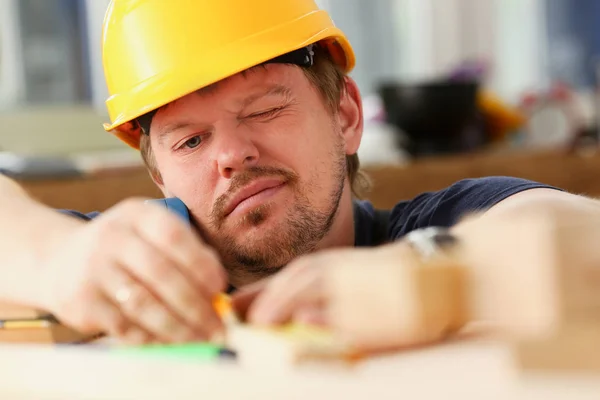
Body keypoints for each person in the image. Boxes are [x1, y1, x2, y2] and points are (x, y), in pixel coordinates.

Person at [0, 0, 596, 348]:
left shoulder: (433, 228)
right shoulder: (133, 274)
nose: (230, 154)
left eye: (263, 109)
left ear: (345, 116)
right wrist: (55, 257)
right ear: (160, 177)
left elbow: (575, 232)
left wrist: (433, 277)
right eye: (190, 140)